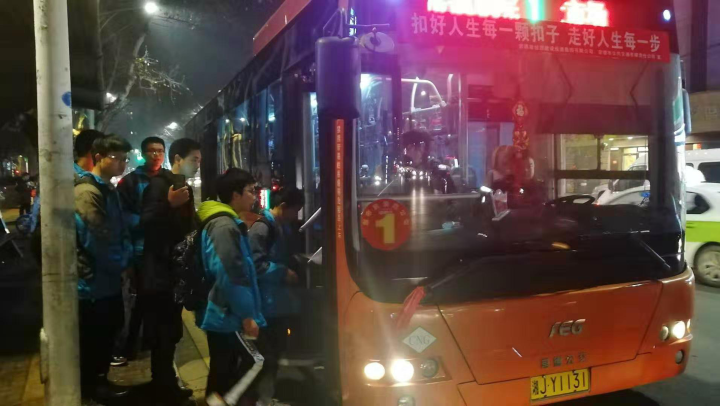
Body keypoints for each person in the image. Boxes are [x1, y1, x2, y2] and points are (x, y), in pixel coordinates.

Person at [195, 169, 266, 402]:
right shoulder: (224, 227)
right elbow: (230, 274)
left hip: (223, 312)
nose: (254, 196)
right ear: (235, 195)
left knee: (222, 371)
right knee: (255, 362)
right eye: (250, 191)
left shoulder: (225, 222)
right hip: (227, 314)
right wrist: (246, 316)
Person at [139, 138, 201, 402]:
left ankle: (166, 384)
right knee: (163, 332)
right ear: (177, 159)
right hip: (159, 274)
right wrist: (169, 205)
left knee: (171, 331)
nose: (198, 165)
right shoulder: (159, 185)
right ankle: (163, 388)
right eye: (194, 159)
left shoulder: (182, 186)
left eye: (199, 160)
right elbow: (145, 223)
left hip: (174, 273)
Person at [74, 134, 133, 401]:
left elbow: (122, 230)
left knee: (109, 331)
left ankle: (100, 383)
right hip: (93, 283)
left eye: (124, 159)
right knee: (95, 338)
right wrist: (122, 263)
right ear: (98, 157)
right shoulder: (88, 192)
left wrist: (126, 257)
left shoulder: (108, 189)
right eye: (115, 158)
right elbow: (96, 240)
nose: (121, 163)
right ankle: (92, 389)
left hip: (107, 280)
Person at [247, 187, 303, 405]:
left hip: (277, 302)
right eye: (295, 210)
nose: (296, 216)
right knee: (267, 356)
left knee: (275, 353)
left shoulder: (279, 226)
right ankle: (262, 397)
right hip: (266, 304)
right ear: (283, 207)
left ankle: (268, 396)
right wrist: (282, 272)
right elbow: (255, 265)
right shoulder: (262, 228)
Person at [116, 136, 170, 363]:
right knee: (139, 299)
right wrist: (147, 222)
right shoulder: (130, 182)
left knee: (158, 299)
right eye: (151, 151)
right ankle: (129, 345)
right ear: (142, 154)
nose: (156, 155)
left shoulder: (169, 179)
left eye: (160, 151)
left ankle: (150, 340)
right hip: (139, 250)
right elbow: (123, 216)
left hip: (163, 250)